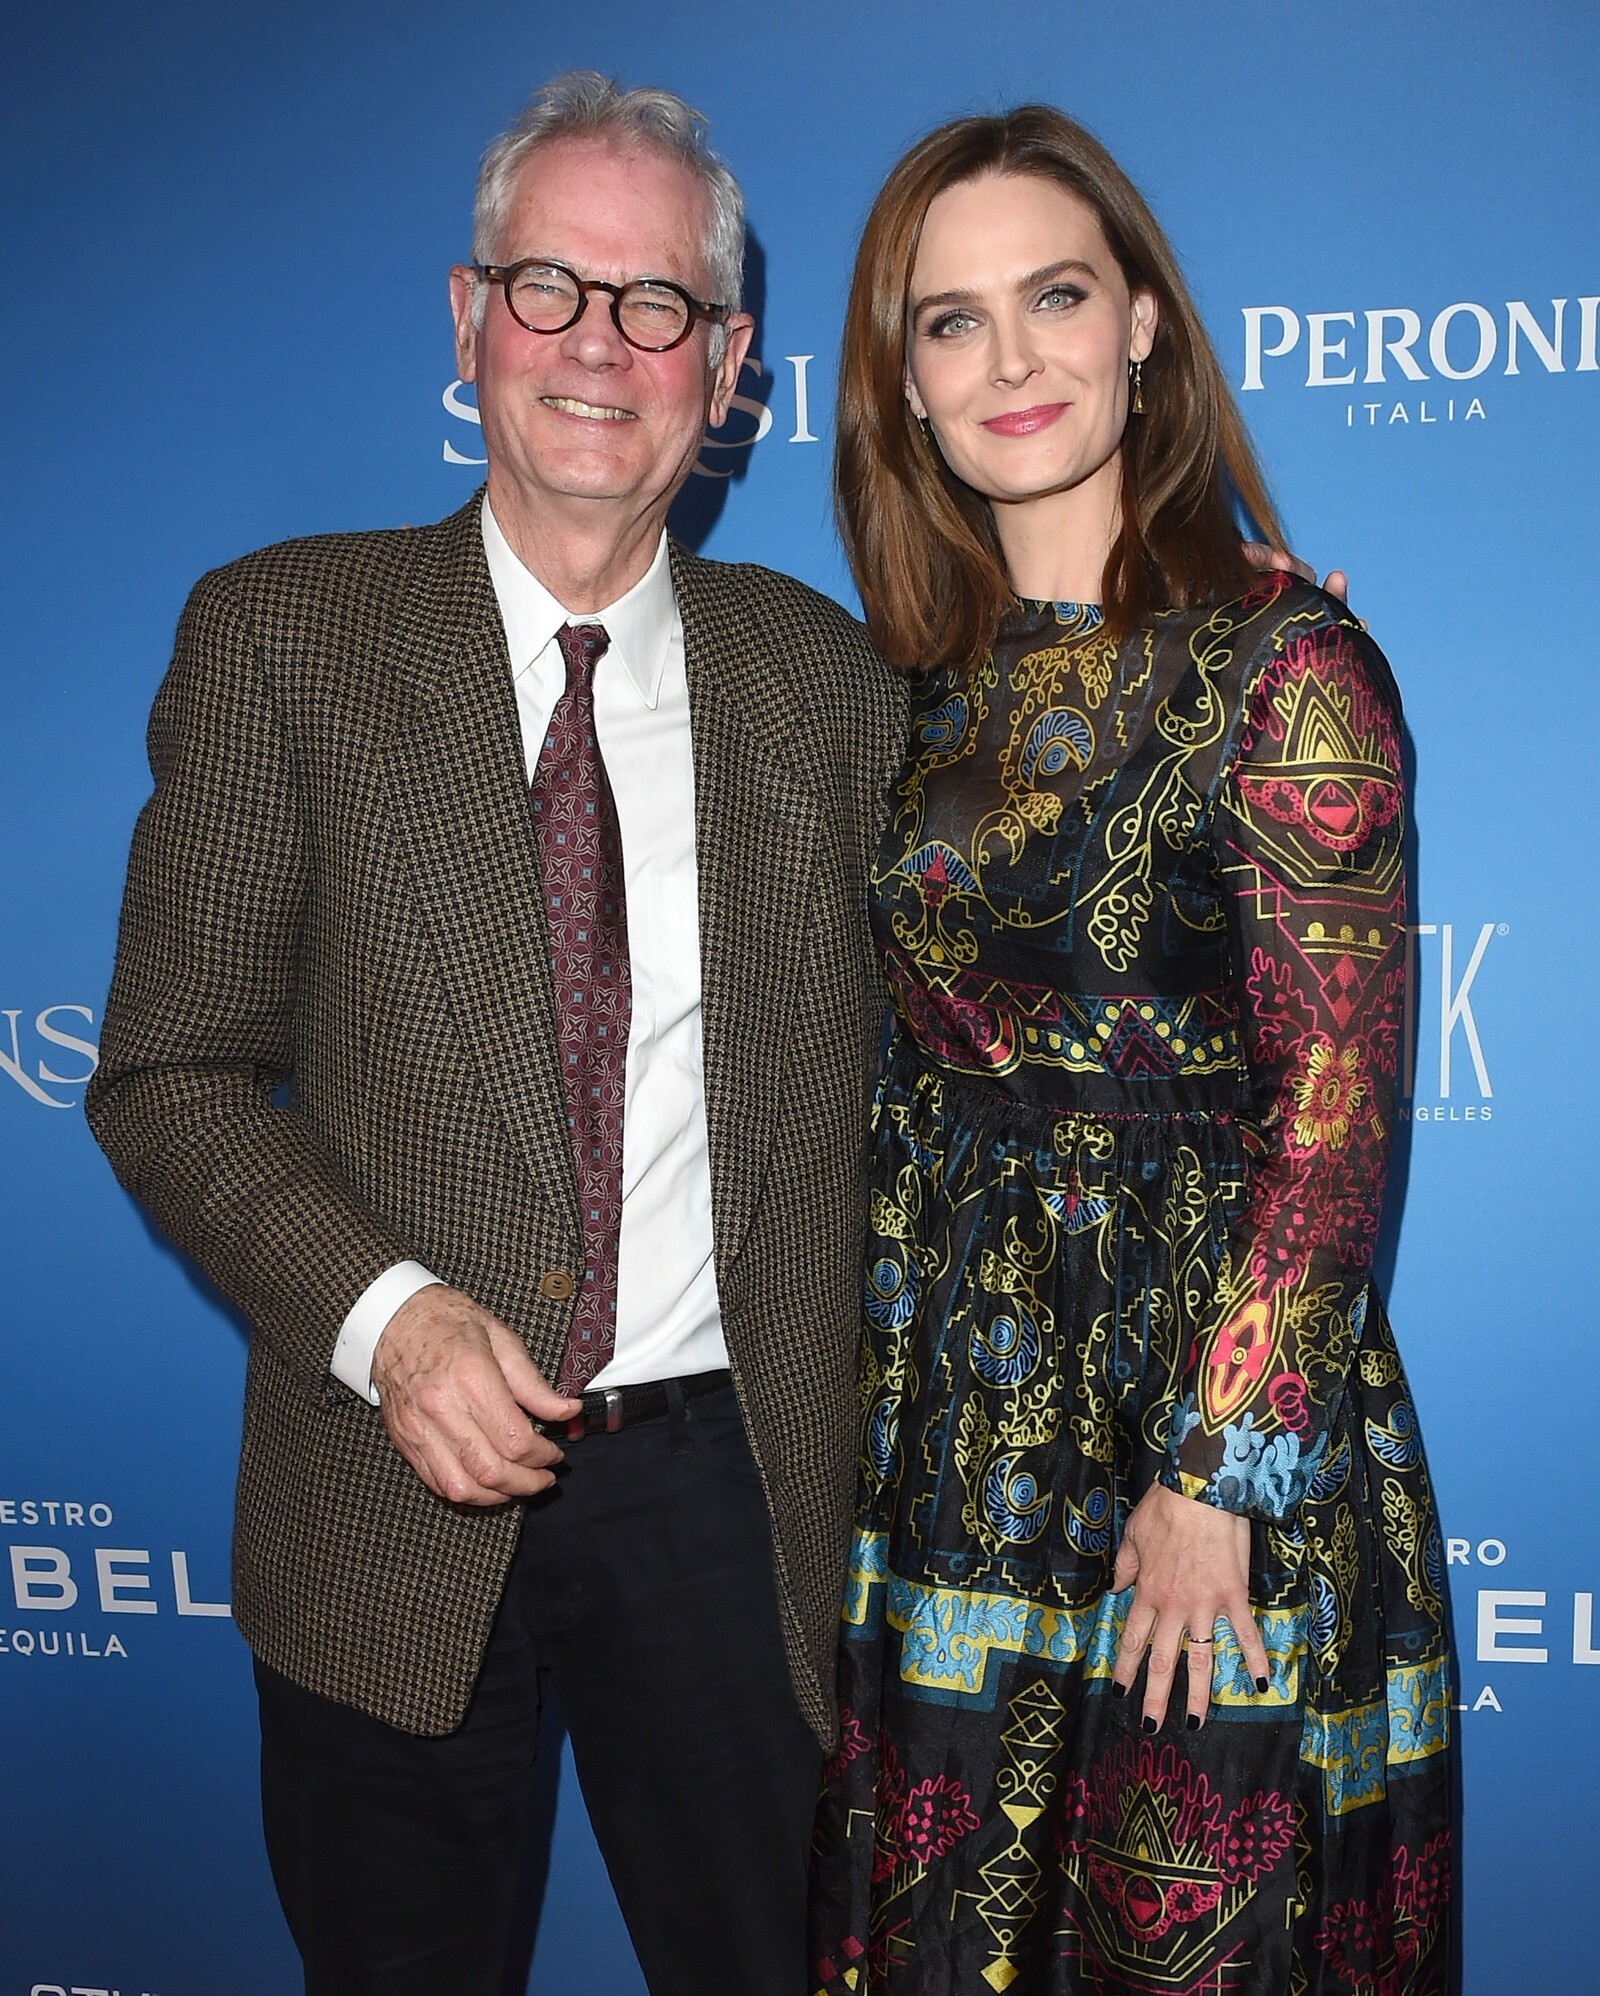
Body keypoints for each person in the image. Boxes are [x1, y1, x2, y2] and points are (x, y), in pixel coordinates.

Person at [86, 72, 908, 1996]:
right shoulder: (283, 640)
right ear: (469, 320)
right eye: (551, 286)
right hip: (379, 1486)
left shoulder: (833, 684)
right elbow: (168, 1073)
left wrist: (1221, 643)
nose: (598, 344)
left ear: (728, 367)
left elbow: (1031, 893)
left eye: (657, 303)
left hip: (737, 1499)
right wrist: (390, 1319)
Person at [808, 107, 1452, 1994]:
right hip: (956, 1421)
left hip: (1199, 1432)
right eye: (950, 321)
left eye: (1058, 297)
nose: (1010, 360)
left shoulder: (1284, 663)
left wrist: (1220, 1479)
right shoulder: (907, 684)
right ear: (901, 383)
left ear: (1145, 325)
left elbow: (1336, 1119)